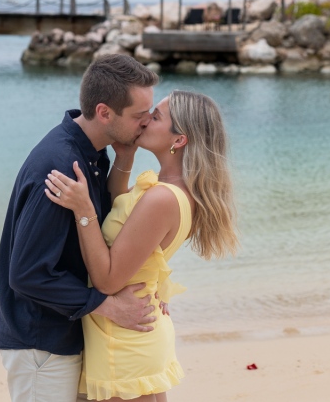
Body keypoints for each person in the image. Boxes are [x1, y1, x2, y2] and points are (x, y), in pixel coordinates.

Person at [44, 90, 238, 401]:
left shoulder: (162, 198)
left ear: (179, 140)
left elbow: (108, 279)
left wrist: (84, 211)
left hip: (123, 342)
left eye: (157, 117)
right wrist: (125, 157)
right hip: (130, 330)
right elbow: (121, 207)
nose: (146, 120)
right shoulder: (167, 187)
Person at [0, 54, 160, 402]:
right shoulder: (61, 169)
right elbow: (26, 274)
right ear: (104, 112)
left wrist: (124, 159)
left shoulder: (93, 153)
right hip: (41, 342)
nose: (146, 124)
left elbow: (106, 224)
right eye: (138, 116)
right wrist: (109, 306)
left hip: (66, 332)